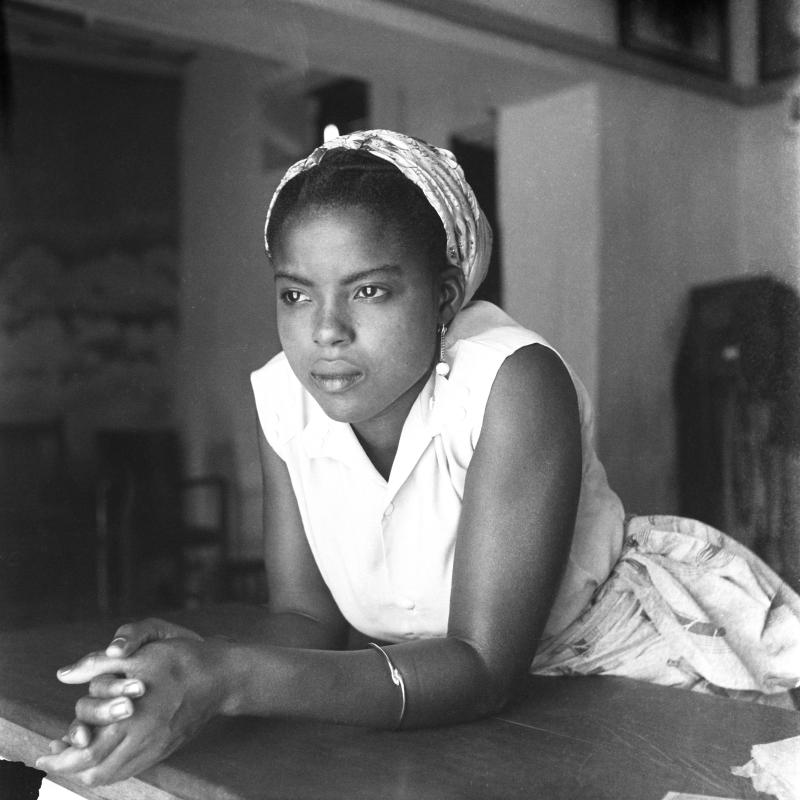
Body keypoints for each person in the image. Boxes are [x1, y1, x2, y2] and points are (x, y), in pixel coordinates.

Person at [36, 130, 800, 787]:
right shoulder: (285, 400)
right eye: (296, 295)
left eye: (368, 291)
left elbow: (480, 664)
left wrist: (230, 677)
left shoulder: (512, 382)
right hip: (438, 698)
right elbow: (306, 618)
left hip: (620, 681)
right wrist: (182, 666)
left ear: (443, 296)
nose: (325, 331)